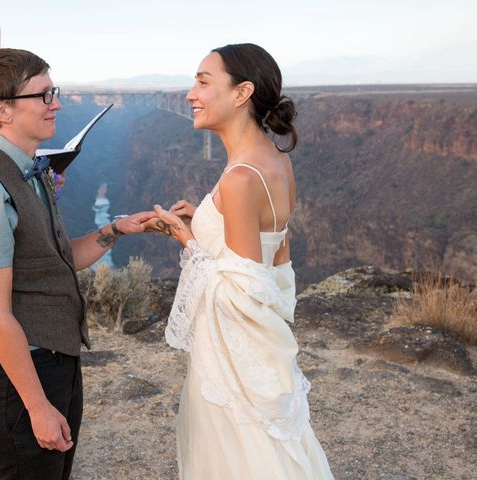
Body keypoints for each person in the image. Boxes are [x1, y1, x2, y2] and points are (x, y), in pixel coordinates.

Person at [0, 48, 155, 480]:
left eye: (53, 91)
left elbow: (58, 262)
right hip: (16, 381)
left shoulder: (30, 170)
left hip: (54, 363)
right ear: (1, 109)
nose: (56, 103)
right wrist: (37, 406)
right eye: (42, 95)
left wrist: (117, 229)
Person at [149, 44, 334, 479]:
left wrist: (188, 240)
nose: (190, 93)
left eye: (203, 81)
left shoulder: (239, 178)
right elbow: (274, 256)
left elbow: (241, 293)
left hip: (232, 359)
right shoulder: (276, 162)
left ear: (241, 92)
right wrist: (210, 221)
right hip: (256, 349)